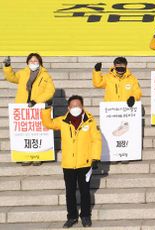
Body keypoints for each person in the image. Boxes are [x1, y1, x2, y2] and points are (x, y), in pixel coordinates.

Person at [41, 95, 102, 228]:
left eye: (78, 105)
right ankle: (72, 217)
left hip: (85, 163)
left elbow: (96, 140)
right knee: (70, 192)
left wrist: (95, 157)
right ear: (68, 107)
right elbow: (48, 123)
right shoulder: (62, 121)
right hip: (68, 164)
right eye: (73, 106)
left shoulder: (90, 122)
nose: (76, 108)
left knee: (85, 191)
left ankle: (85, 216)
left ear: (82, 107)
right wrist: (46, 108)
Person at [2, 54, 55, 166]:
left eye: (36, 61)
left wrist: (36, 101)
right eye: (31, 60)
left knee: (37, 132)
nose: (33, 62)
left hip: (37, 106)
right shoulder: (23, 73)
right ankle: (25, 156)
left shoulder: (46, 76)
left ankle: (38, 156)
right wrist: (7, 67)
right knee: (25, 133)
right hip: (23, 107)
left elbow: (50, 91)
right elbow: (11, 78)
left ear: (40, 62)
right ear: (27, 62)